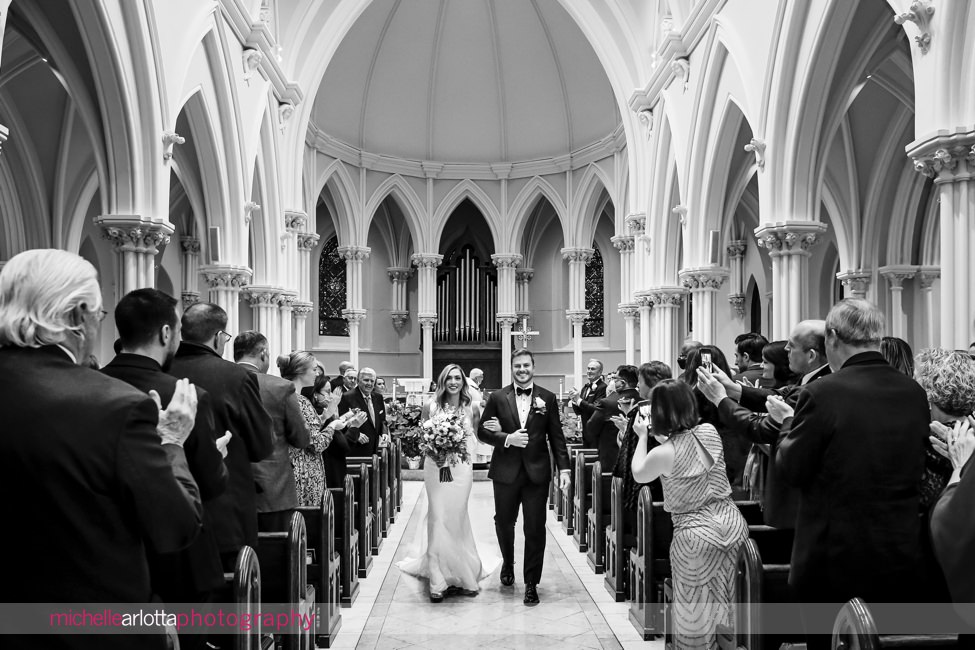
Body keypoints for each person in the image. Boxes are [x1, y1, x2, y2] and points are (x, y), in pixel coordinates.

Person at [0, 249, 202, 650]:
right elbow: (175, 526)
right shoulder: (114, 406)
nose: (97, 326)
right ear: (77, 317)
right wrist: (172, 442)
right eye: (97, 315)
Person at [775, 299, 928, 649]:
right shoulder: (914, 392)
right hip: (898, 550)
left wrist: (785, 426)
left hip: (833, 556)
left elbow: (793, 469)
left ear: (831, 337)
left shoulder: (823, 392)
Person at [103, 289, 229, 650]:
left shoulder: (93, 386)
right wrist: (215, 460)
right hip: (179, 557)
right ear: (165, 334)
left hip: (116, 554)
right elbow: (210, 484)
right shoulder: (185, 393)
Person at [630, 379, 748, 649]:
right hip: (731, 522)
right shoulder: (708, 431)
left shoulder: (663, 452)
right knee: (730, 600)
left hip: (696, 534)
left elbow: (639, 472)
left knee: (695, 608)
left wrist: (643, 438)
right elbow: (692, 451)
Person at [168, 302, 273, 570]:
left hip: (169, 506)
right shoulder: (235, 376)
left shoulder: (162, 372)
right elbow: (261, 445)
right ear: (218, 337)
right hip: (225, 510)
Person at [695, 322, 829, 527]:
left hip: (796, 500)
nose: (785, 349)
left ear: (811, 355)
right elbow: (775, 395)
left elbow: (759, 428)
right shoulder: (809, 381)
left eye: (791, 346)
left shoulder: (816, 388)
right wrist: (732, 388)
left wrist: (720, 399)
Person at [396, 364, 500, 601]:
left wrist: (495, 432)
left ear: (463, 382)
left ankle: (463, 572)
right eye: (449, 378)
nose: (453, 382)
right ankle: (436, 576)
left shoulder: (472, 406)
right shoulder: (428, 406)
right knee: (438, 516)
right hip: (436, 468)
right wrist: (437, 446)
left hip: (461, 470)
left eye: (457, 378)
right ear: (442, 381)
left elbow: (480, 437)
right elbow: (422, 438)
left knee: (457, 515)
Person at [477, 348, 571, 605]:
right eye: (517, 365)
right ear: (512, 367)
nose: (522, 370)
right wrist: (507, 438)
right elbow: (482, 433)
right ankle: (508, 562)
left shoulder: (547, 398)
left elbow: (557, 437)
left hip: (537, 473)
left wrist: (564, 469)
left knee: (535, 528)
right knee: (504, 522)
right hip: (505, 472)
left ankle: (531, 583)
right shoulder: (497, 397)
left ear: (533, 366)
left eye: (526, 365)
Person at [234, 333, 309, 530]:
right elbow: (301, 439)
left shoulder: (218, 380)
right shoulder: (280, 387)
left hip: (228, 487)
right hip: (273, 488)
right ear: (264, 353)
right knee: (275, 553)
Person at [585, 364, 638, 470]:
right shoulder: (642, 400)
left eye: (615, 379)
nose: (613, 382)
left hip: (612, 458)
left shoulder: (607, 402)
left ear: (622, 383)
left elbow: (591, 428)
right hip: (637, 458)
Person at [339, 366, 388, 457]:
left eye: (372, 381)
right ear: (358, 381)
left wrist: (384, 433)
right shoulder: (347, 397)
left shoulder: (378, 397)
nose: (369, 383)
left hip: (374, 448)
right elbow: (341, 422)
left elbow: (382, 420)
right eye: (366, 380)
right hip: (356, 449)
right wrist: (356, 434)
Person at [569, 358, 607, 440]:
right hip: (585, 431)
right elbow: (579, 412)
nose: (589, 371)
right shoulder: (585, 388)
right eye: (588, 368)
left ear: (600, 373)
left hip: (596, 432)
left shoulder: (603, 387)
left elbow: (595, 408)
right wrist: (574, 400)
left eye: (593, 369)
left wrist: (579, 400)